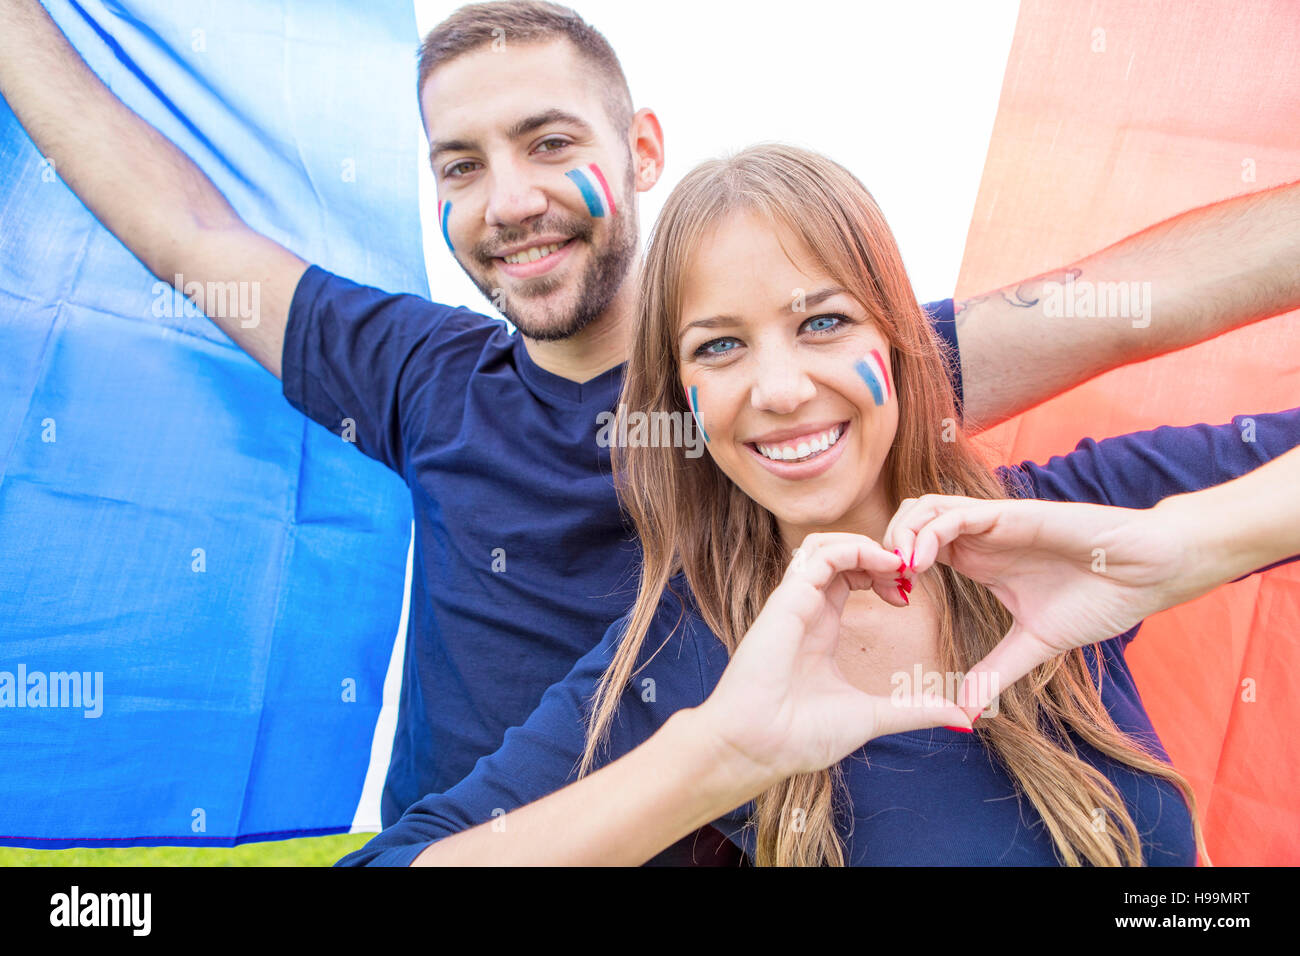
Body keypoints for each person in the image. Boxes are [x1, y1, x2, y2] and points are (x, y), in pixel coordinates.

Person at [2, 0, 1298, 862]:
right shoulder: (427, 377)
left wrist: (1185, 544)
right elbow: (195, 241)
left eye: (546, 141)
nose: (508, 199)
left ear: (637, 148)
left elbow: (1142, 306)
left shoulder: (869, 410)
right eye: (459, 164)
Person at [338, 144, 1300, 866]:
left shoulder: (1061, 521)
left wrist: (1180, 548)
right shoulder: (690, 658)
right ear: (684, 400)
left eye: (823, 323)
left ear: (905, 336)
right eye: (719, 347)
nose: (782, 388)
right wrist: (714, 760)